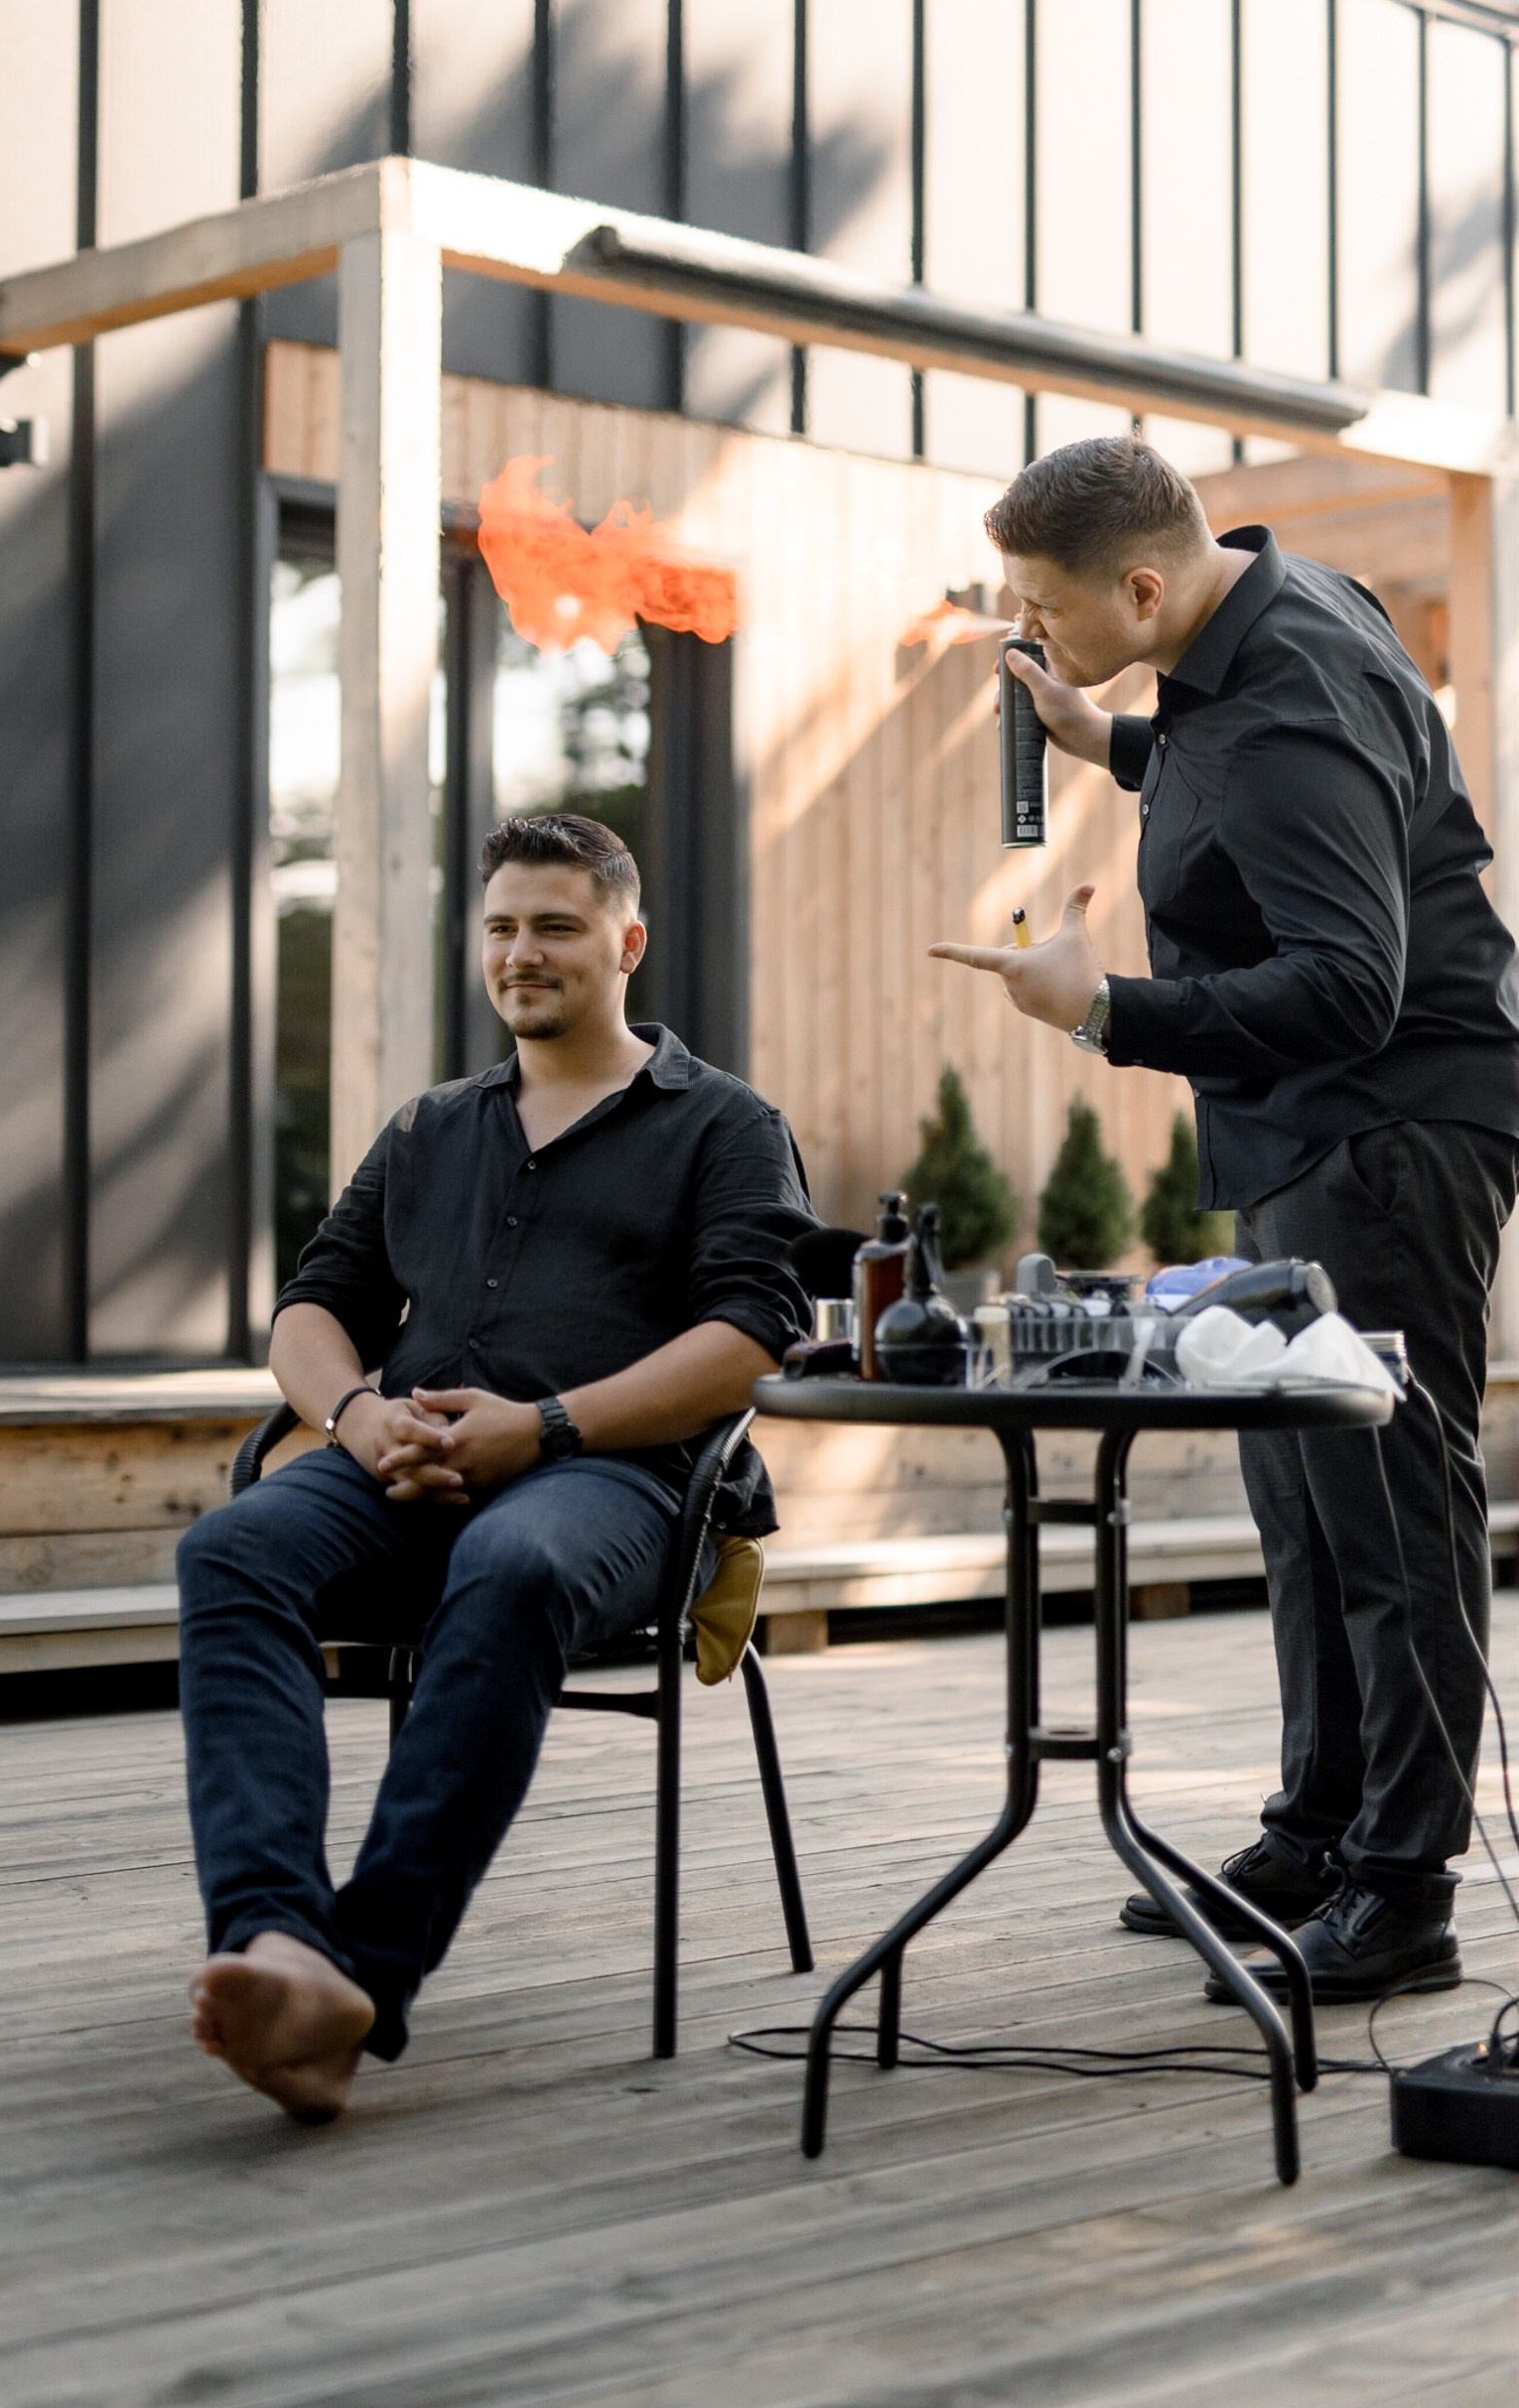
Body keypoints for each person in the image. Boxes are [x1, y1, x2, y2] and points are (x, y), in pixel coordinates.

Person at [931, 436, 1519, 2004]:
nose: (1027, 630)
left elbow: (1348, 983)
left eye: (1042, 611)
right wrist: (1109, 739)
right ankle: (1320, 1829)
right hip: (1307, 1134)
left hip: (1388, 1136)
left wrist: (1104, 1007)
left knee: (1390, 1514)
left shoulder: (1287, 703)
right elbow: (1244, 771)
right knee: (1303, 1503)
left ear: (1139, 584)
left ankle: (1404, 1893)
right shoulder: (1251, 618)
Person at [178, 811, 813, 2120]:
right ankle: (280, 1939)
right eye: (503, 928)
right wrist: (355, 1417)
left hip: (619, 1481)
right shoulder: (430, 1128)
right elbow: (314, 1305)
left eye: (558, 927)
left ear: (628, 942)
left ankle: (360, 1974)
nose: (524, 953)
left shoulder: (725, 1126)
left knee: (510, 1563)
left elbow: (754, 1339)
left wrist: (551, 1425)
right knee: (229, 1551)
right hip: (401, 1463)